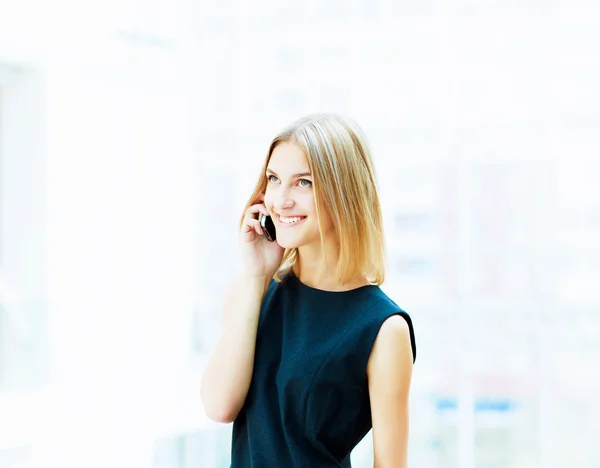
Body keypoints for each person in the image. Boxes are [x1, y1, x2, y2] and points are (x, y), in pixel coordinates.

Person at [200, 113, 417, 467]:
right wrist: (256, 278)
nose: (280, 200)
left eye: (303, 183)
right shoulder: (251, 290)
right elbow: (219, 406)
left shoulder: (383, 329)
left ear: (344, 192)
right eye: (273, 179)